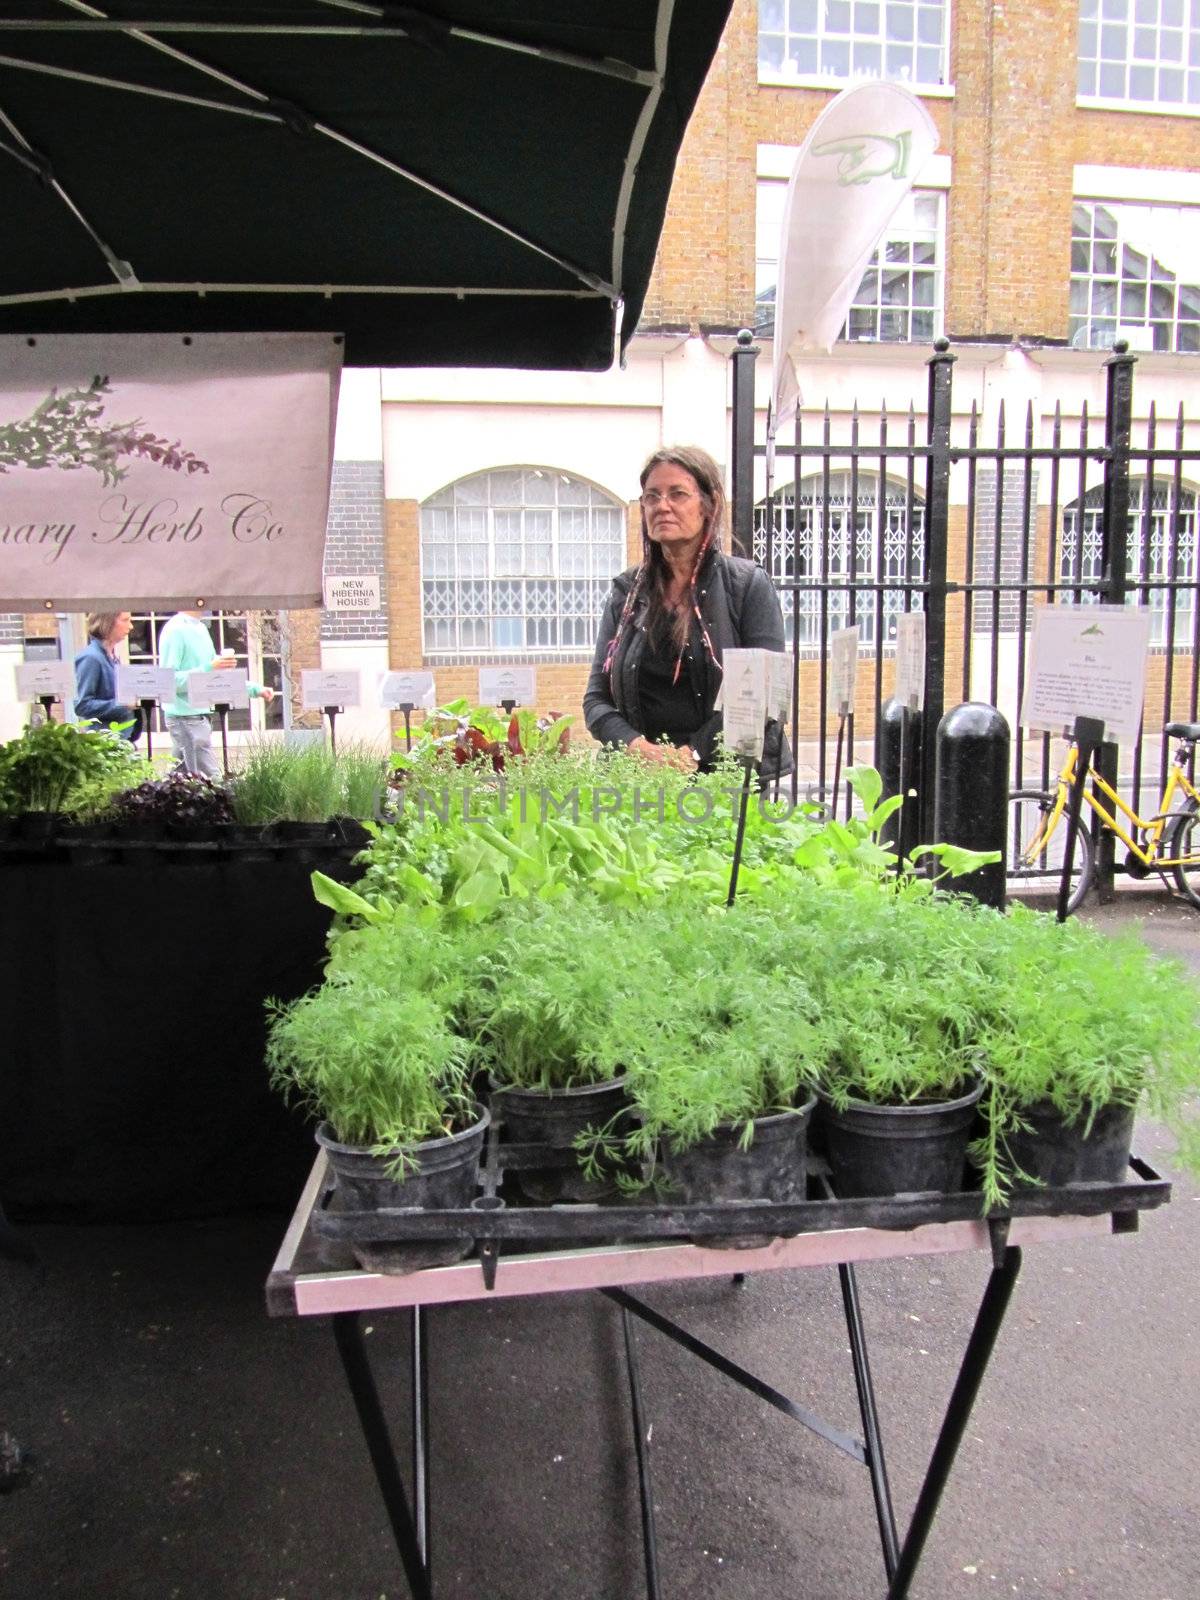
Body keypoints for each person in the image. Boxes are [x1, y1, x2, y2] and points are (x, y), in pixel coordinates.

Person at [584, 445, 792, 782]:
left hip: (726, 781)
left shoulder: (746, 586)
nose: (662, 506)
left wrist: (692, 753)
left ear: (707, 505)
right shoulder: (627, 591)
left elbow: (763, 694)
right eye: (652, 496)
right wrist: (639, 748)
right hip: (640, 779)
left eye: (677, 494)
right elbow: (596, 698)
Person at [158, 609, 275, 779]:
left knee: (178, 780)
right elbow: (169, 681)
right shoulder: (175, 630)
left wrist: (255, 689)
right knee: (212, 779)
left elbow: (214, 677)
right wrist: (210, 667)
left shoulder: (201, 629)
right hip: (184, 718)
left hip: (198, 717)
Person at [73, 611, 143, 740]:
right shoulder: (91, 657)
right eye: (125, 620)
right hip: (104, 743)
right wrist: (122, 704)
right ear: (108, 622)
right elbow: (82, 705)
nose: (131, 626)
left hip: (122, 739)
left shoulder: (112, 656)